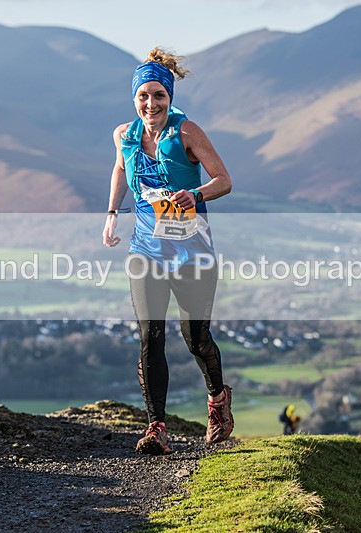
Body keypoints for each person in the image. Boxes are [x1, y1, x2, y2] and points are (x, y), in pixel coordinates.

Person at [102, 48, 233, 455]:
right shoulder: (123, 135)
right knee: (149, 337)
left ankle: (217, 400)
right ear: (134, 98)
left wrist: (193, 194)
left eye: (158, 96)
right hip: (146, 250)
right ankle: (155, 426)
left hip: (192, 251)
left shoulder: (188, 132)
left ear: (169, 97)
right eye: (143, 96)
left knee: (195, 339)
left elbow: (224, 180)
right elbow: (121, 168)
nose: (151, 104)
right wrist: (112, 213)